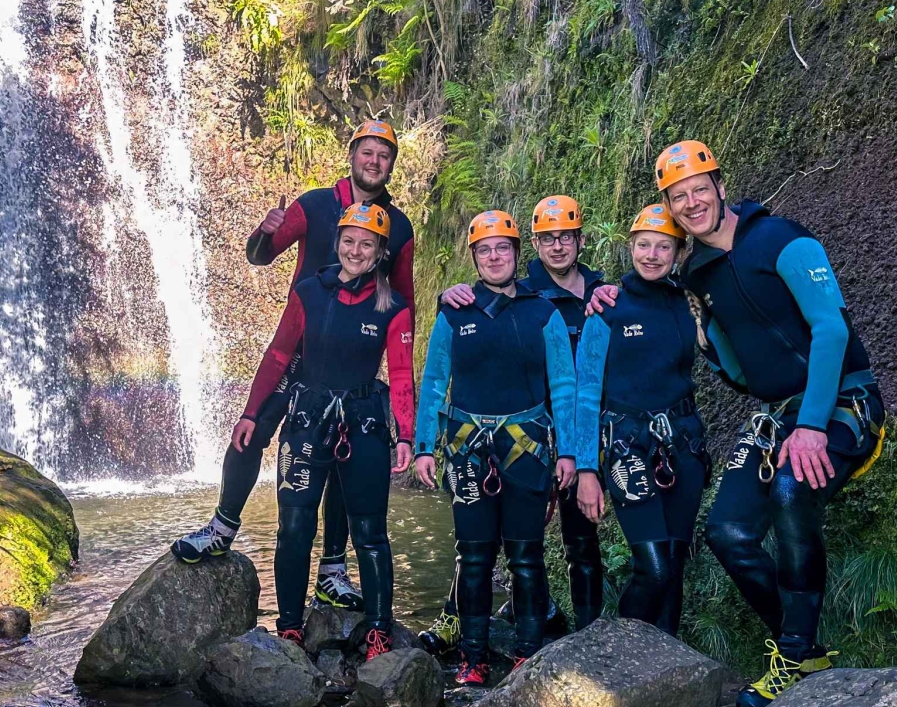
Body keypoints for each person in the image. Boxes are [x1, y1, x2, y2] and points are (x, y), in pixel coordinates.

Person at [591, 140, 884, 707]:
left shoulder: (783, 240)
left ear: (722, 187)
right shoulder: (698, 274)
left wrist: (813, 425)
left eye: (700, 189)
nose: (692, 202)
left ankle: (794, 654)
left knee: (791, 487)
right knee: (726, 531)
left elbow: (831, 331)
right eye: (679, 198)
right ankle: (801, 644)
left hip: (842, 400)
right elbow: (733, 360)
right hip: (777, 413)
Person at [172, 120, 415, 615]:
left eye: (383, 156)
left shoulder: (400, 227)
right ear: (352, 155)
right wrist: (261, 234)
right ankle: (222, 526)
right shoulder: (314, 205)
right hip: (300, 348)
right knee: (252, 427)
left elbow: (403, 298)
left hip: (353, 361)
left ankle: (330, 569)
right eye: (366, 152)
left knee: (348, 453)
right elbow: (263, 255)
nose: (374, 162)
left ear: (391, 164)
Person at [418, 195, 603, 655]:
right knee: (474, 556)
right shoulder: (454, 313)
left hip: (527, 448)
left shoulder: (543, 313)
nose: (495, 256)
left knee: (525, 557)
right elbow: (435, 382)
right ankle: (473, 656)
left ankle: (527, 654)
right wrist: (424, 445)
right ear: (474, 257)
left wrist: (568, 453)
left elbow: (563, 386)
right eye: (485, 250)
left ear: (518, 254)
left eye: (503, 248)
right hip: (467, 448)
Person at [237, 204, 414, 661]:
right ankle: (291, 628)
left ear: (379, 254)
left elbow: (400, 373)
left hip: (364, 425)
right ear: (337, 243)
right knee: (293, 527)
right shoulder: (309, 292)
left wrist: (409, 436)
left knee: (370, 532)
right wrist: (252, 413)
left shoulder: (392, 305)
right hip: (306, 422)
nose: (356, 251)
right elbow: (279, 355)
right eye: (348, 240)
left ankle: (378, 631)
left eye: (366, 244)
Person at [573, 204, 710, 638]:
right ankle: (623, 654)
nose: (652, 254)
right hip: (627, 447)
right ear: (630, 247)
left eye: (663, 246)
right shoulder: (607, 307)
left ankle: (668, 667)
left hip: (683, 445)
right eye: (644, 245)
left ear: (678, 251)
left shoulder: (689, 304)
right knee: (652, 566)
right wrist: (586, 471)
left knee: (672, 565)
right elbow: (585, 393)